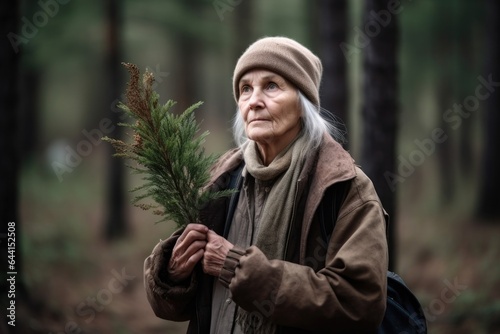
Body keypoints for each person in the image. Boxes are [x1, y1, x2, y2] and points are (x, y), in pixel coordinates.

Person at [144, 36, 388, 333]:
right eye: (246, 88)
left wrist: (239, 270)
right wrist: (173, 273)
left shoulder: (343, 188)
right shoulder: (221, 178)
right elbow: (175, 307)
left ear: (303, 102)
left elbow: (359, 304)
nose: (254, 100)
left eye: (271, 86)